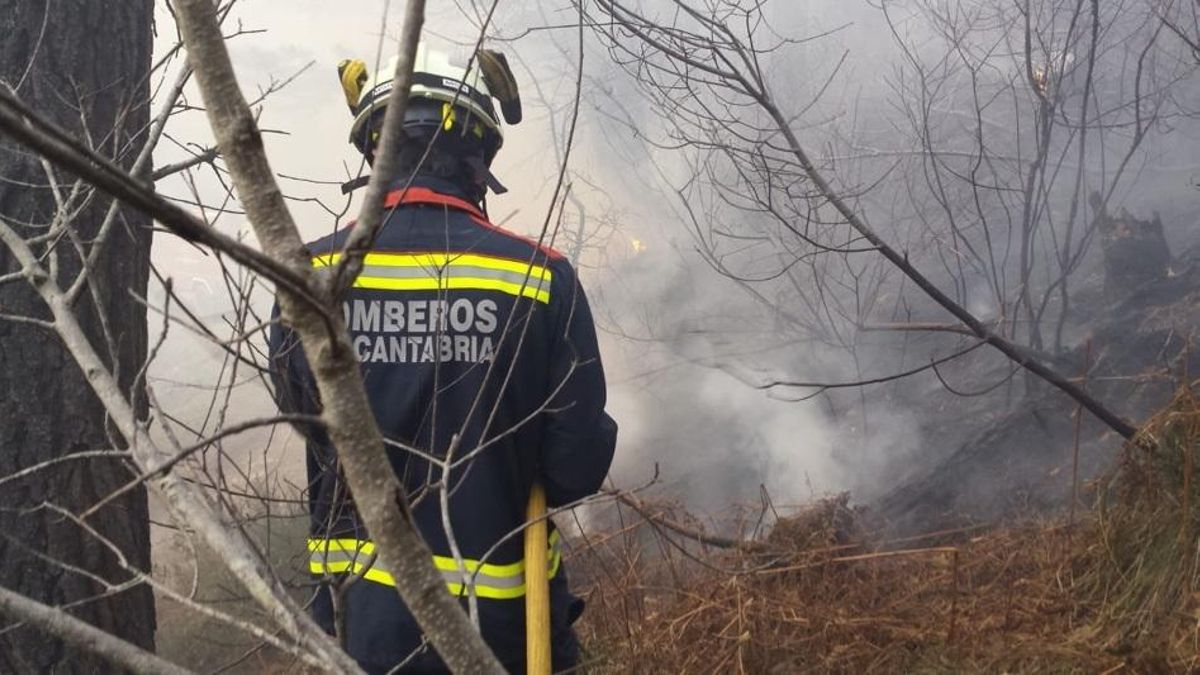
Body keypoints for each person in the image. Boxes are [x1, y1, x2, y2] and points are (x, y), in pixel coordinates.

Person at [268, 43, 618, 674]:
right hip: (503, 637)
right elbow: (575, 467)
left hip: (355, 632)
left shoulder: (312, 280)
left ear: (372, 153)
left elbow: (307, 419)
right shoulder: (539, 280)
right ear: (479, 157)